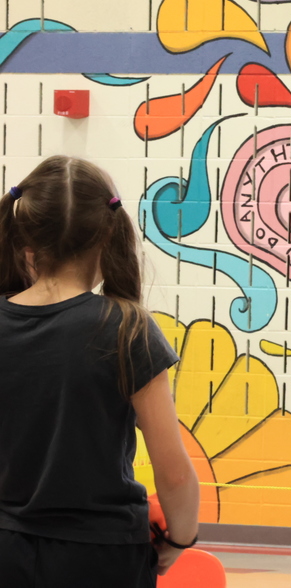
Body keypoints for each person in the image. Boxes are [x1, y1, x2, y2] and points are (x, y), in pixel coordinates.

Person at [0, 156, 200, 587]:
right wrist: (179, 541)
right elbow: (175, 472)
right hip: (102, 557)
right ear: (109, 232)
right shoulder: (127, 328)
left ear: (26, 237)